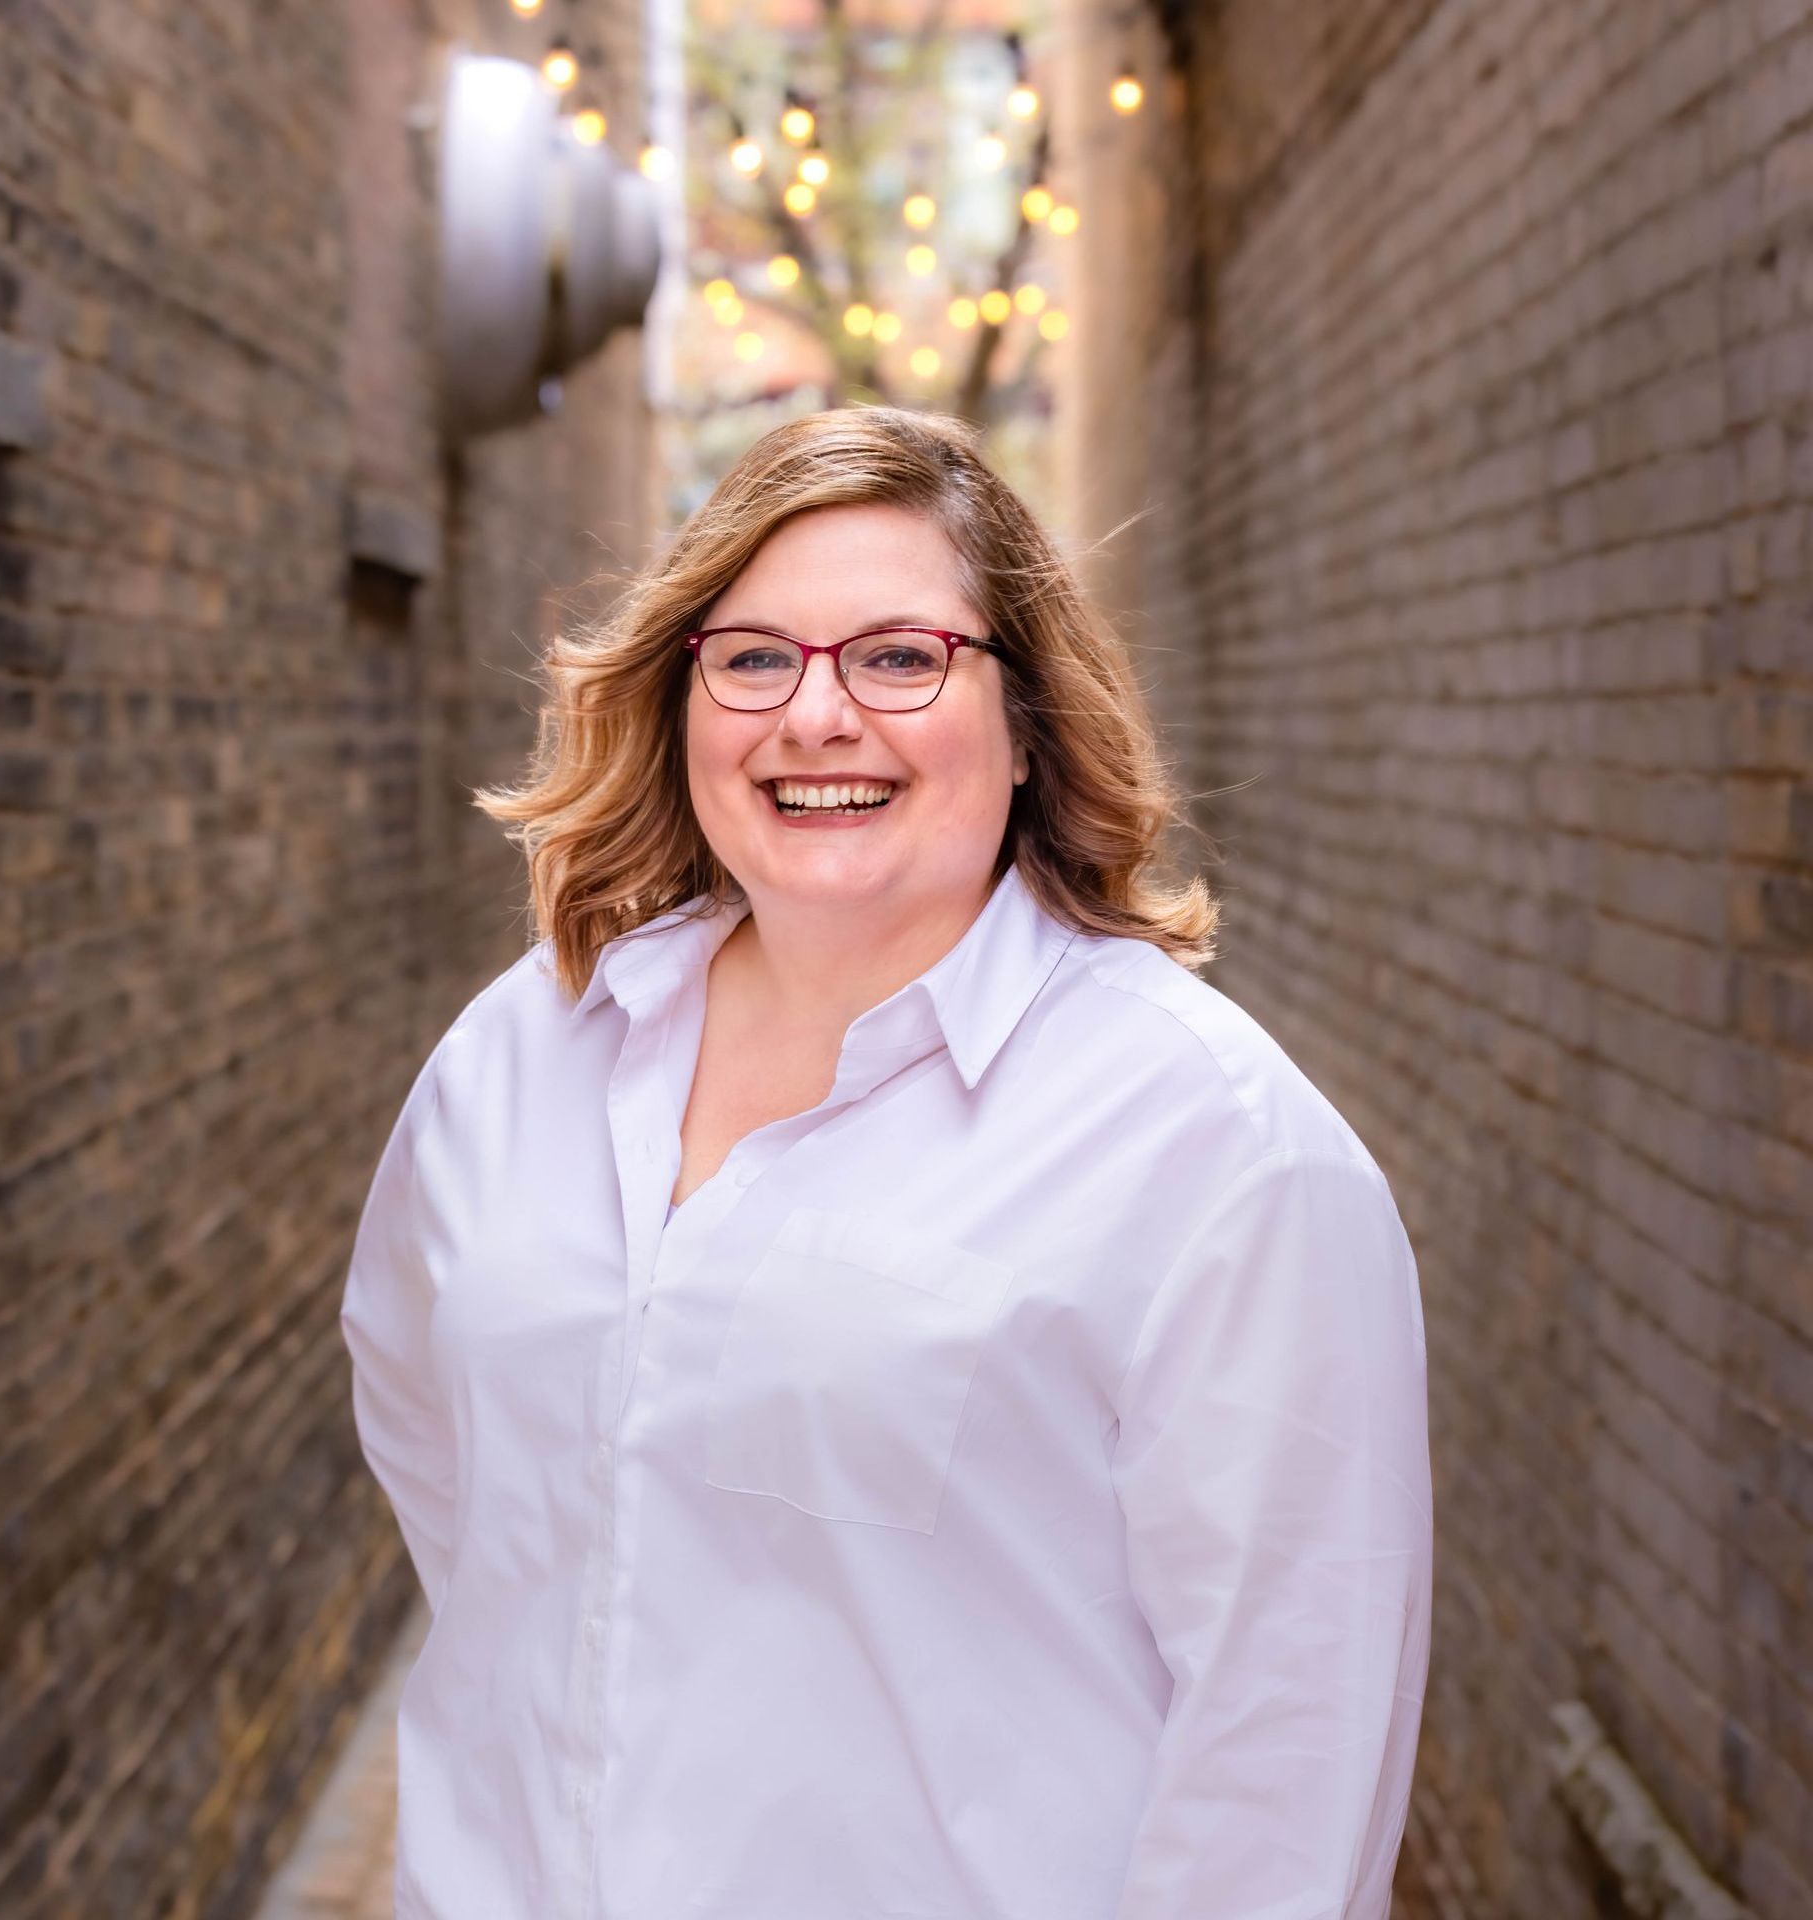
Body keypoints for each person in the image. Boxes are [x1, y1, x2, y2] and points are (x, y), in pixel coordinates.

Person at [340, 405, 1432, 1920]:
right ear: (679, 696)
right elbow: (464, 1481)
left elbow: (1286, 1755)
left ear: (1028, 715)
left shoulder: (1217, 1153)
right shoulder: (520, 1055)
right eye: (754, 657)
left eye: (900, 658)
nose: (816, 716)